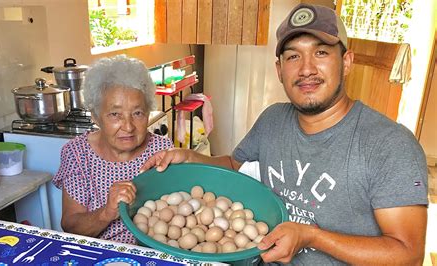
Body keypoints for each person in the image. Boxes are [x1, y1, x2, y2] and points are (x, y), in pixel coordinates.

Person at [140, 3, 428, 265]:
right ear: (279, 70)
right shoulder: (274, 120)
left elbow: (407, 253)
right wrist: (189, 157)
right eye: (293, 56)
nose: (306, 69)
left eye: (321, 52)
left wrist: (312, 236)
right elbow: (234, 165)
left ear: (347, 61)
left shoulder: (389, 145)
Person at [53, 55, 173, 243]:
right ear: (95, 117)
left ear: (148, 112)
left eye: (137, 113)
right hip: (100, 253)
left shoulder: (162, 151)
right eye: (115, 114)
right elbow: (70, 225)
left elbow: (175, 220)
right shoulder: (77, 153)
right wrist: (106, 213)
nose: (128, 126)